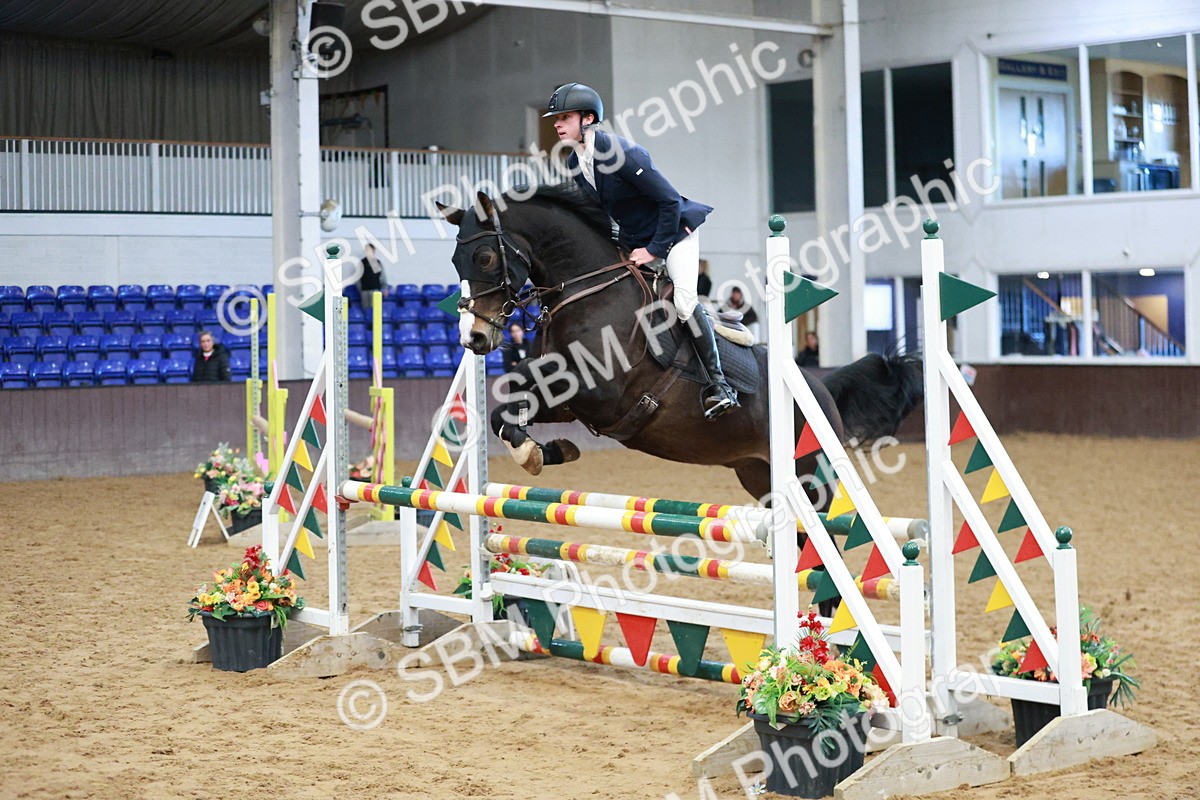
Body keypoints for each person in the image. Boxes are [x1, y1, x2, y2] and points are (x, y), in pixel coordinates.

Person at [545, 82, 737, 420]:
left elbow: (669, 202)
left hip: (674, 233)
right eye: (556, 118)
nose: (557, 124)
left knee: (683, 301)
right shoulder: (576, 164)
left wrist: (653, 250)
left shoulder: (624, 153)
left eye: (565, 117)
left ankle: (718, 385)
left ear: (588, 119)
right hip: (634, 240)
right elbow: (598, 216)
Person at [358, 243, 387, 310]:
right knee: (366, 310)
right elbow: (358, 278)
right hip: (365, 291)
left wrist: (384, 288)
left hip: (376, 290)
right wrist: (361, 290)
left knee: (376, 310)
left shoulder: (376, 262)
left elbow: (382, 277)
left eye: (372, 251)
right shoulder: (362, 263)